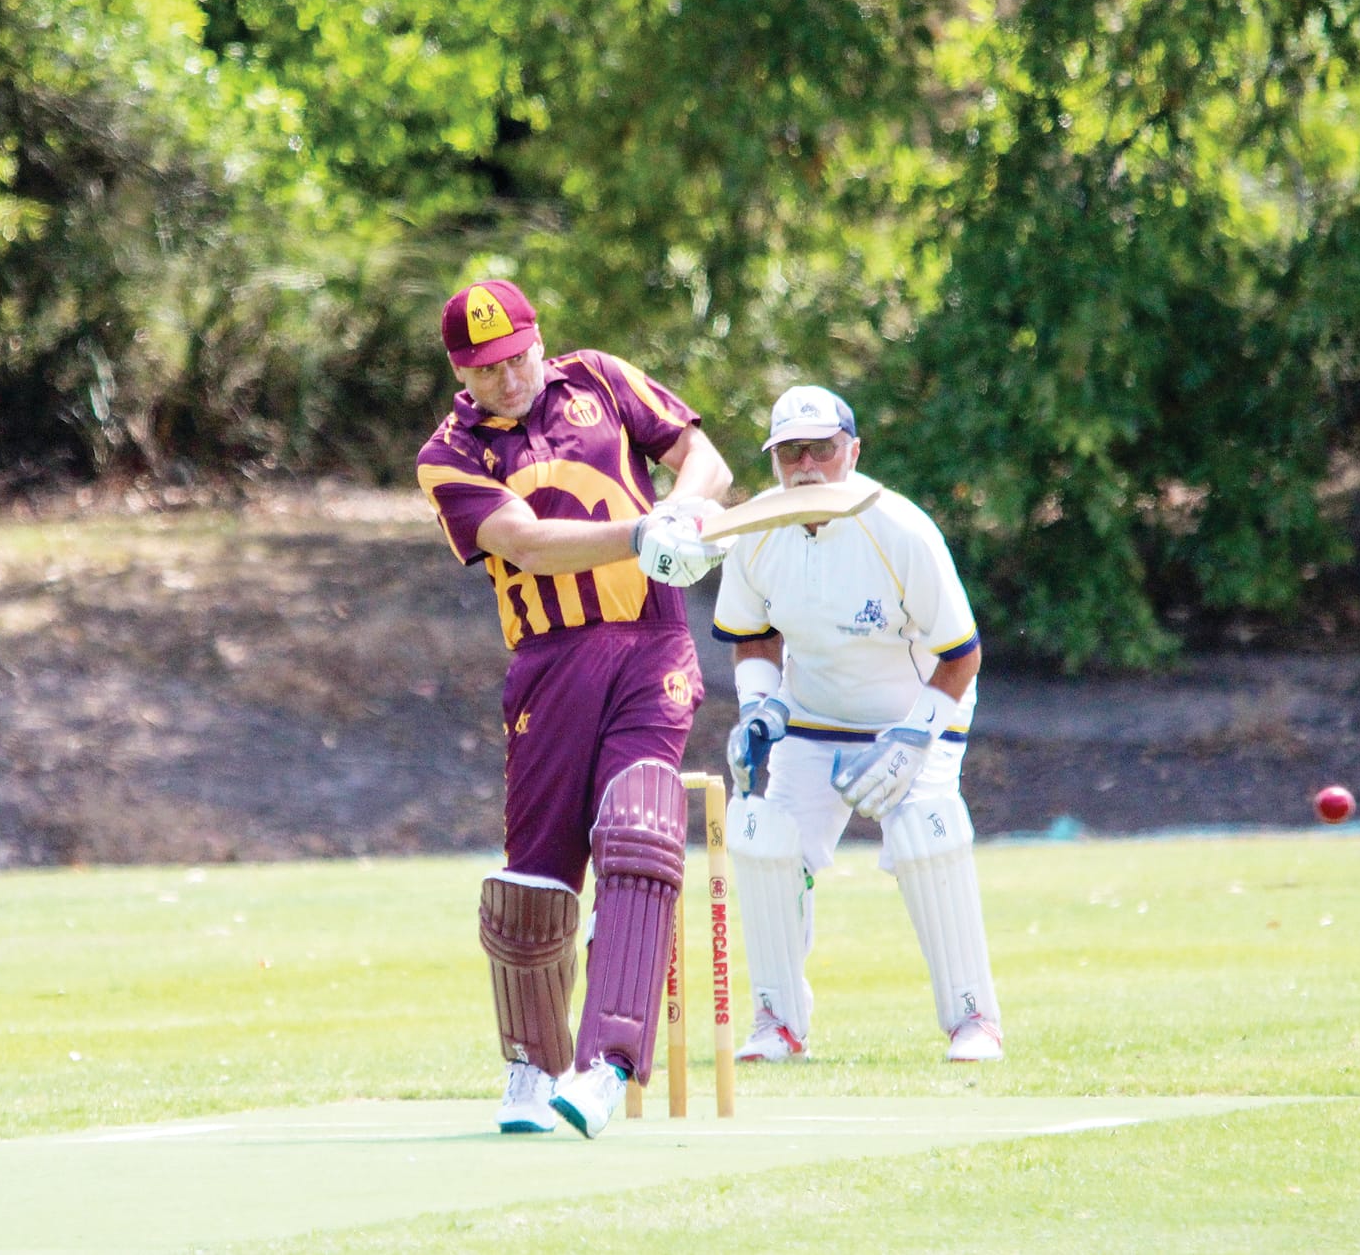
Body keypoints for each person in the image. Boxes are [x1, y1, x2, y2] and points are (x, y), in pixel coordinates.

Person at [416, 279, 732, 1138]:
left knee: (640, 827)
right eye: (486, 369)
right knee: (536, 875)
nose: (508, 379)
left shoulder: (597, 377)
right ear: (460, 370)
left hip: (651, 637)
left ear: (539, 339)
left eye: (517, 357)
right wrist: (639, 532)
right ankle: (531, 1065)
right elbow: (522, 542)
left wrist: (682, 508)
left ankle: (604, 1066)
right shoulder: (449, 453)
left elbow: (706, 458)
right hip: (550, 661)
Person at [711, 386, 1003, 1065]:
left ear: (853, 451)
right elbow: (753, 638)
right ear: (776, 459)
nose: (807, 464)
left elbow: (962, 654)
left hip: (920, 706)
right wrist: (758, 707)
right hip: (813, 717)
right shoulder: (756, 530)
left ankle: (974, 1019)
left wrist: (913, 737)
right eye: (791, 451)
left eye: (822, 448)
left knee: (925, 834)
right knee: (765, 841)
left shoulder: (899, 528)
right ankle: (779, 1022)